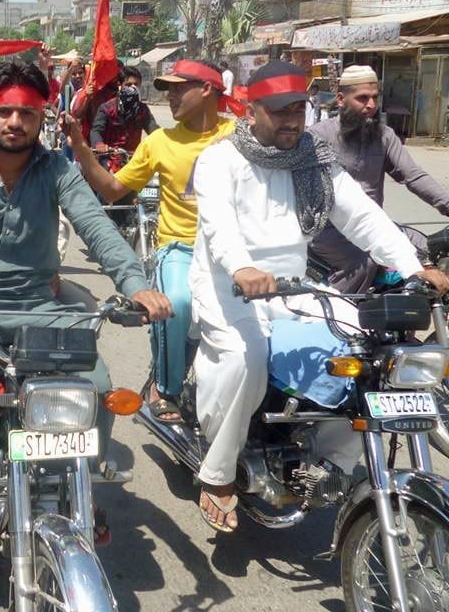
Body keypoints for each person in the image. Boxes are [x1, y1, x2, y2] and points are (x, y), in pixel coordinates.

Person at [0, 60, 173, 549]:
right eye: (4, 111)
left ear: (43, 117)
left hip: (43, 307)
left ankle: (75, 483)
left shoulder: (59, 169)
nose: (14, 122)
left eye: (26, 112)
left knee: (96, 388)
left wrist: (134, 282)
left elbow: (96, 226)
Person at [188, 60, 449, 532]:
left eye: (298, 111)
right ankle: (219, 473)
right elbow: (218, 226)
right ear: (251, 111)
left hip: (295, 285)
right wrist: (242, 267)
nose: (291, 122)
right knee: (247, 359)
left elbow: (364, 219)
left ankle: (327, 462)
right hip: (226, 286)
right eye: (279, 112)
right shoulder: (219, 160)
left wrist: (415, 267)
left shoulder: (314, 159)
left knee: (368, 352)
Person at [67, 59, 237, 422]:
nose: (171, 96)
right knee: (175, 303)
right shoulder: (160, 142)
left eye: (179, 88)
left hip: (237, 253)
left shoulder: (240, 136)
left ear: (207, 89)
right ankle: (165, 386)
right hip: (181, 247)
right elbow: (113, 189)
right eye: (168, 90)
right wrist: (82, 148)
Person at [309, 65, 449, 293]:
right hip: (328, 229)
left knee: (430, 249)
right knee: (363, 263)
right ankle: (336, 318)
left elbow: (413, 176)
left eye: (375, 98)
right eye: (362, 98)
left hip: (375, 224)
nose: (371, 105)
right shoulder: (318, 136)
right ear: (341, 99)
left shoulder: (385, 135)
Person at [89, 66, 158, 156]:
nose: (133, 88)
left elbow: (153, 129)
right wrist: (99, 144)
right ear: (120, 85)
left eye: (136, 85)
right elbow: (96, 131)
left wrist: (163, 139)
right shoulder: (106, 108)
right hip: (110, 157)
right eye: (128, 85)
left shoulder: (142, 109)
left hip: (134, 159)